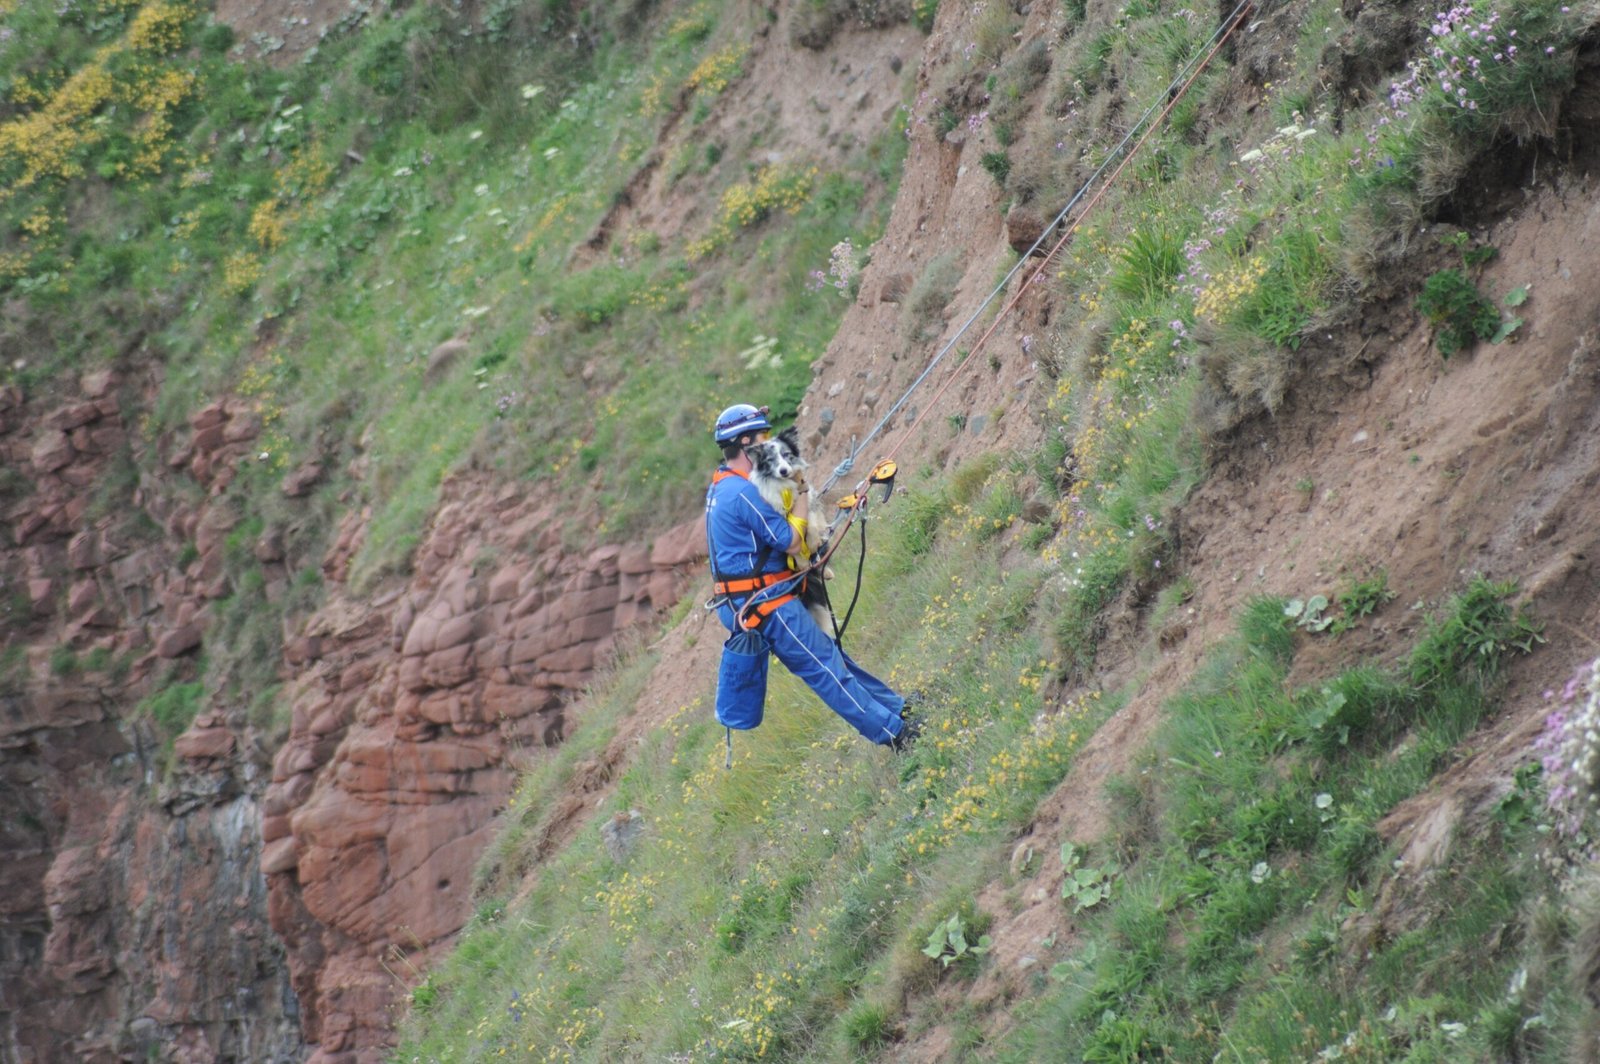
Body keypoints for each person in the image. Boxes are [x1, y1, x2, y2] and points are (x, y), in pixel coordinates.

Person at [705, 403, 920, 750]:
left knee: (831, 657)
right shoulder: (742, 492)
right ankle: (895, 734)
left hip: (752, 599)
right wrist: (803, 491)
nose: (768, 441)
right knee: (824, 667)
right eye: (761, 436)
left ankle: (898, 710)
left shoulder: (722, 486)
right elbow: (790, 542)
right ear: (745, 443)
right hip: (765, 603)